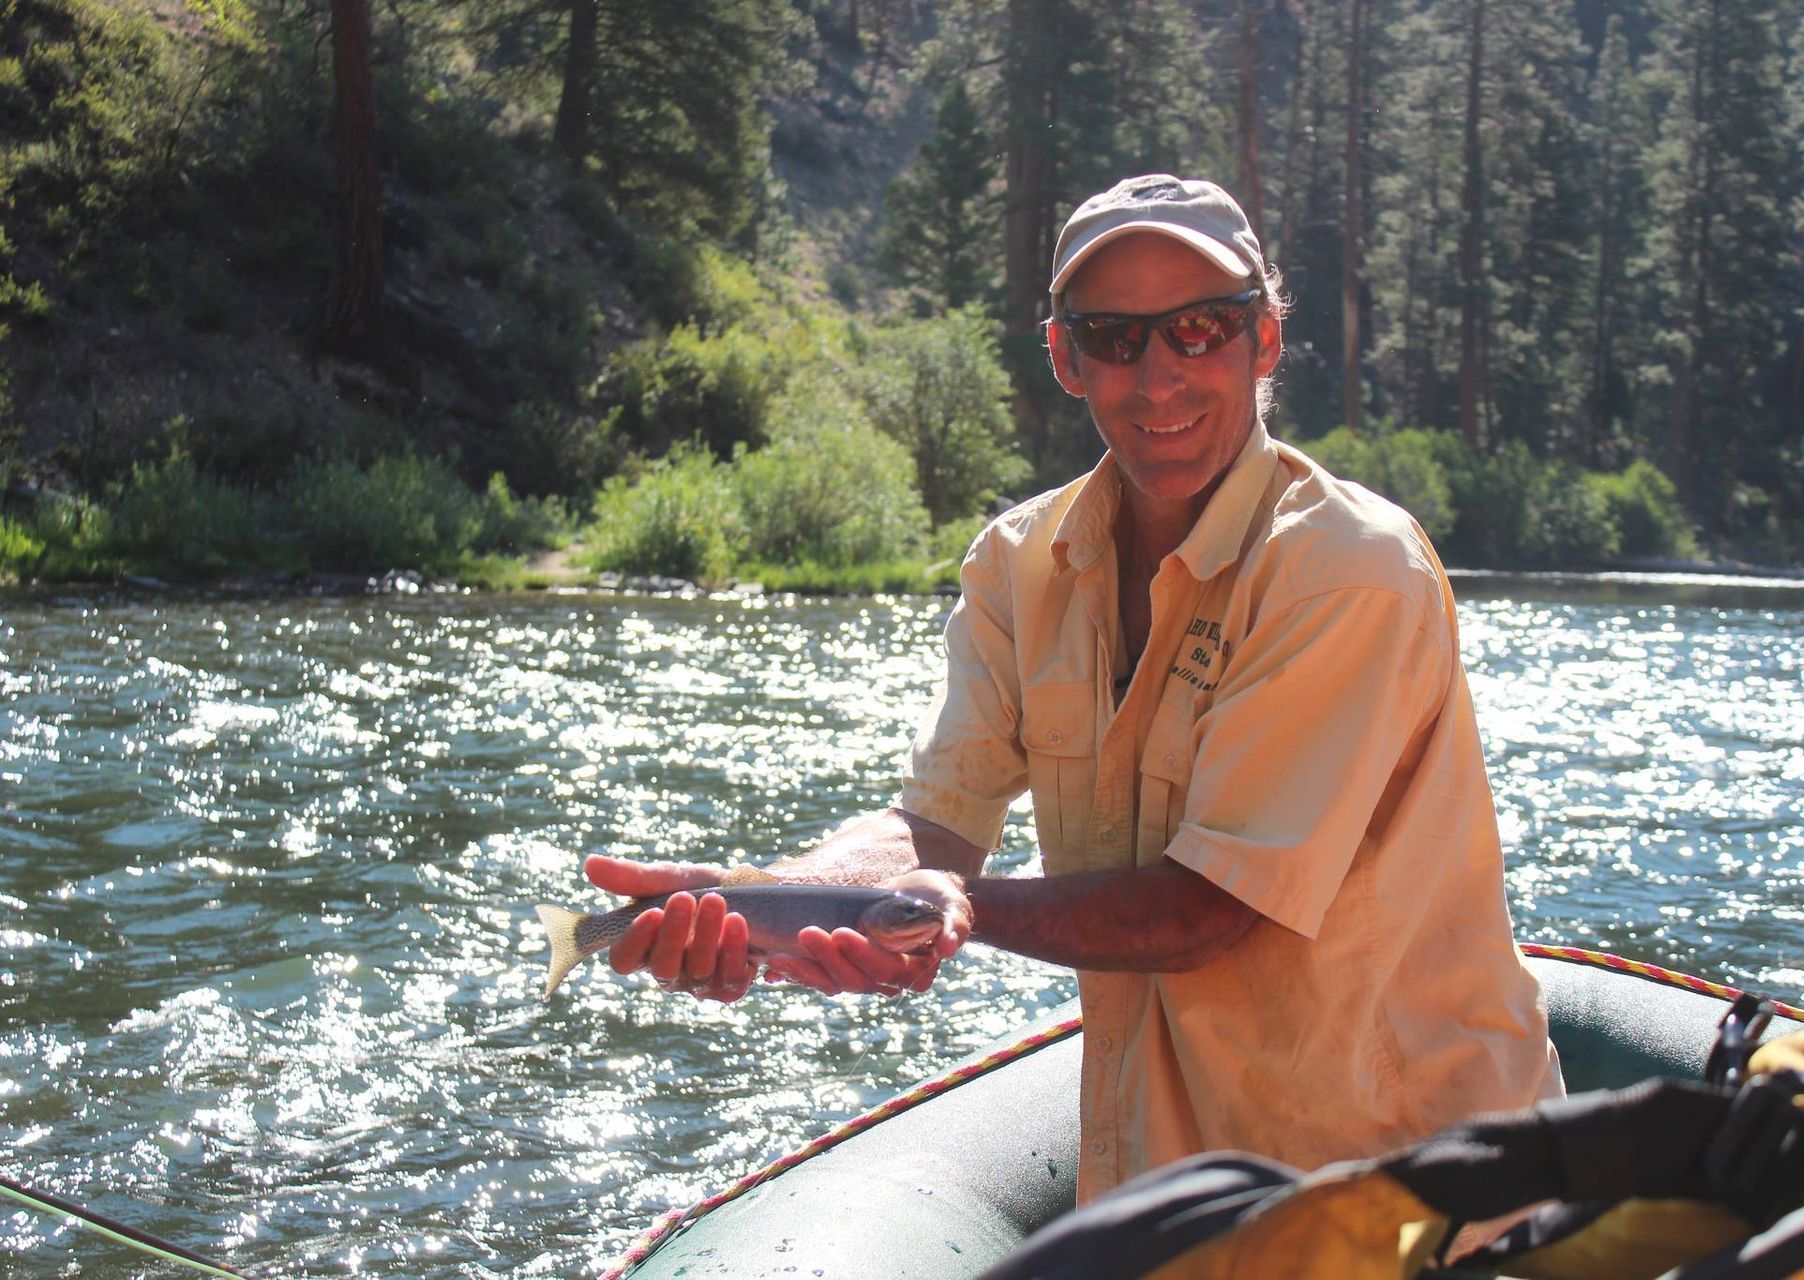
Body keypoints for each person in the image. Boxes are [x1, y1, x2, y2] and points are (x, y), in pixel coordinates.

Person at [583, 173, 1563, 1204]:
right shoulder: (1020, 561)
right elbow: (935, 824)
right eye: (1114, 336)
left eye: (1199, 329)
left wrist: (943, 910)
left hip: (1418, 1198)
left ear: (1263, 341)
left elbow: (1208, 911)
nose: (1159, 377)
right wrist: (759, 908)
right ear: (1066, 357)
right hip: (1178, 1207)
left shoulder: (1349, 567)